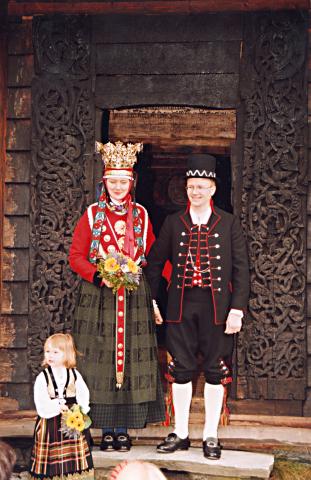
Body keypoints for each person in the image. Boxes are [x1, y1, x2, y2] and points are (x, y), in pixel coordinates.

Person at [145, 154, 249, 460]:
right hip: (180, 305)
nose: (196, 192)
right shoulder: (173, 222)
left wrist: (237, 309)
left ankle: (211, 435)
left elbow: (241, 269)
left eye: (202, 186)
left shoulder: (228, 223)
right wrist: (152, 300)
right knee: (181, 370)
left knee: (216, 370)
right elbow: (154, 263)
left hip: (218, 307)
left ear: (213, 189)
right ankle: (180, 432)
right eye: (192, 186)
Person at [69, 141, 165, 452]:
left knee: (129, 361)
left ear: (131, 183)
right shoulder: (92, 214)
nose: (118, 187)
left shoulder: (142, 215)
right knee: (101, 360)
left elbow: (152, 254)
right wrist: (99, 275)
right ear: (105, 182)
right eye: (113, 181)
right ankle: (104, 428)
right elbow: (76, 256)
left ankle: (122, 430)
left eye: (124, 182)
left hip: (133, 295)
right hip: (98, 296)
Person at [29, 333, 94, 480]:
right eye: (47, 351)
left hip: (72, 420)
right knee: (53, 455)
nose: (50, 355)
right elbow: (41, 403)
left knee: (73, 452)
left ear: (67, 354)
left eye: (55, 352)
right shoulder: (43, 377)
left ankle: (74, 476)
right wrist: (57, 406)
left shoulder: (74, 374)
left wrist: (80, 411)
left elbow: (84, 395)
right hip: (50, 423)